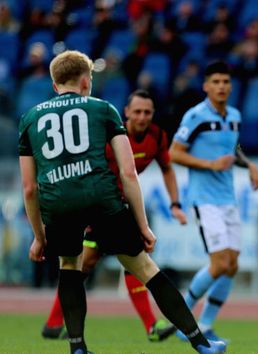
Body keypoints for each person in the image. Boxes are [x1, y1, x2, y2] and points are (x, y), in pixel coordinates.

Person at [19, 50, 225, 354]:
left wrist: (39, 236)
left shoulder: (30, 119)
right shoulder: (103, 109)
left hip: (58, 204)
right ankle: (201, 343)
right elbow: (128, 173)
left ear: (54, 85)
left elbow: (28, 188)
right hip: (101, 200)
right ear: (86, 81)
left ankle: (77, 348)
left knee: (69, 265)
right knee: (144, 267)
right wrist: (142, 225)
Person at [41, 89, 188, 342]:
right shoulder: (110, 133)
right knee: (86, 264)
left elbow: (167, 169)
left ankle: (151, 325)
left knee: (130, 260)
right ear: (127, 112)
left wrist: (175, 203)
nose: (142, 117)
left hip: (119, 208)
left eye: (148, 112)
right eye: (137, 112)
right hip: (98, 205)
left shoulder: (158, 136)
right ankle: (54, 324)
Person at [169, 60, 258, 343]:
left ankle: (206, 325)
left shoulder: (234, 115)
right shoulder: (195, 116)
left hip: (227, 197)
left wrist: (250, 166)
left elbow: (232, 148)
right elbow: (174, 153)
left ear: (230, 86)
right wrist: (209, 164)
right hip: (204, 198)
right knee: (220, 262)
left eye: (226, 81)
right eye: (216, 82)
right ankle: (181, 319)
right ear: (206, 86)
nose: (222, 86)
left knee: (232, 265)